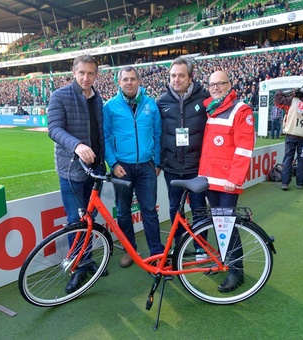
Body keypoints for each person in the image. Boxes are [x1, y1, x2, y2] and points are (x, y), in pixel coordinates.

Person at [47, 55, 107, 293]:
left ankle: (88, 260)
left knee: (90, 218)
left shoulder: (98, 97)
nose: (86, 77)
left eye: (90, 73)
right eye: (81, 73)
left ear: (96, 75)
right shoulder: (59, 96)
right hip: (71, 169)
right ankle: (77, 268)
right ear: (74, 72)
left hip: (95, 169)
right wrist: (77, 145)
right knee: (76, 221)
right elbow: (53, 128)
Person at [198, 70, 255, 293]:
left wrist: (234, 179)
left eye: (220, 83)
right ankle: (225, 262)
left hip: (226, 182)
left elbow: (243, 148)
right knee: (219, 225)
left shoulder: (241, 110)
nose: (216, 88)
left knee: (227, 228)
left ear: (230, 85)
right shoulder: (210, 108)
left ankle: (236, 271)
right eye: (212, 84)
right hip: (209, 179)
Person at [103, 65, 164, 268]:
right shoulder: (110, 107)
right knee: (123, 212)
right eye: (125, 79)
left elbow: (158, 135)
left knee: (149, 211)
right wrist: (113, 163)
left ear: (139, 81)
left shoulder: (150, 105)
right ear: (119, 83)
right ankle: (130, 250)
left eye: (132, 79)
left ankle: (156, 252)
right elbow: (104, 138)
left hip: (146, 166)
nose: (129, 82)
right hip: (122, 168)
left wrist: (157, 161)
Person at [156, 57, 209, 243]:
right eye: (172, 76)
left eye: (180, 75)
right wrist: (159, 161)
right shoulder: (161, 102)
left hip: (196, 167)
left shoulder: (205, 99)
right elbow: (156, 134)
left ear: (190, 77)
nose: (176, 79)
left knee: (199, 208)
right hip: (172, 167)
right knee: (174, 208)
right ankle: (178, 243)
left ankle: (201, 247)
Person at [274, 84, 303, 191]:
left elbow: (277, 100)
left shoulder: (291, 101)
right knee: (302, 160)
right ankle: (300, 183)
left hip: (291, 134)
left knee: (288, 159)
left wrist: (289, 92)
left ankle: (285, 182)